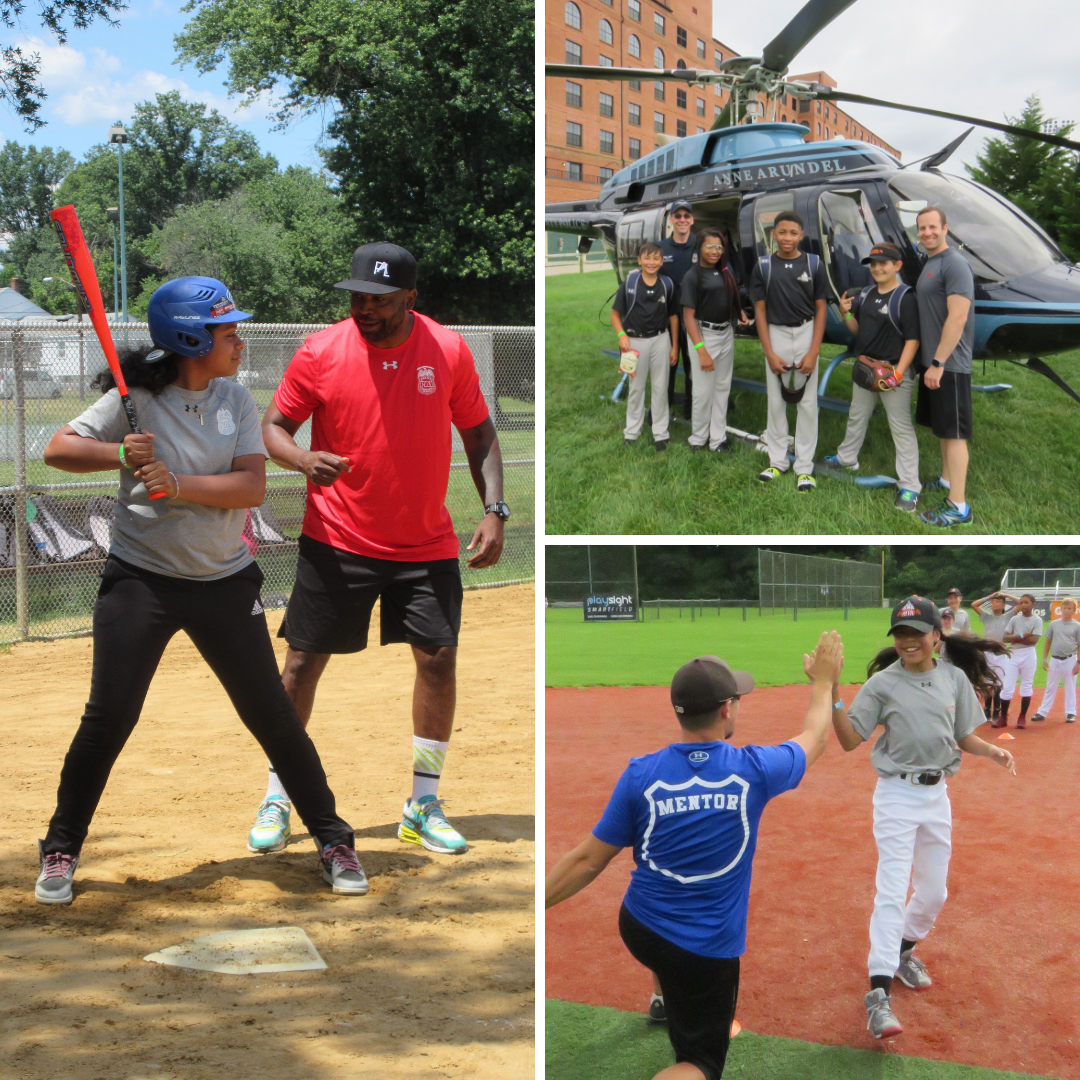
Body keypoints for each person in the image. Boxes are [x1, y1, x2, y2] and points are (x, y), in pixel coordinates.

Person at [35, 277, 366, 905]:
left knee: (272, 714)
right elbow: (57, 449)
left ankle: (332, 837)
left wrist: (177, 483)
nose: (238, 341)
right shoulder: (136, 400)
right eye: (227, 331)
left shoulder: (236, 401)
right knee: (109, 718)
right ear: (190, 338)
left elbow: (251, 489)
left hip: (222, 581)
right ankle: (60, 848)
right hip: (141, 581)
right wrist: (120, 454)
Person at [246, 242, 506, 859]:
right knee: (301, 667)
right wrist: (303, 458)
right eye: (358, 297)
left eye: (380, 299)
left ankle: (422, 801)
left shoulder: (445, 349)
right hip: (337, 538)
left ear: (409, 298)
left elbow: (478, 432)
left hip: (425, 541)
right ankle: (279, 795)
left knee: (438, 662)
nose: (365, 308)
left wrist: (494, 508)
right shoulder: (321, 351)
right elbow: (273, 428)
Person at [545, 635, 844, 1080]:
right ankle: (683, 1027)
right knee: (700, 1064)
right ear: (726, 709)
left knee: (665, 934)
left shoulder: (640, 774)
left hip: (640, 925)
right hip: (704, 949)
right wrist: (823, 683)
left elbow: (587, 860)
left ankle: (664, 997)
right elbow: (816, 738)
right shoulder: (754, 769)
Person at [829, 596, 1014, 1040]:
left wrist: (991, 751)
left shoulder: (952, 678)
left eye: (917, 633)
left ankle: (903, 951)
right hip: (896, 795)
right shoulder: (883, 685)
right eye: (901, 634)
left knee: (934, 892)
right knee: (892, 890)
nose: (909, 641)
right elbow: (850, 740)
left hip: (937, 796)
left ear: (937, 635)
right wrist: (832, 693)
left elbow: (963, 736)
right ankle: (878, 994)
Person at [824, 242, 921, 511]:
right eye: (874, 264)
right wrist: (845, 314)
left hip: (893, 373)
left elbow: (913, 341)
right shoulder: (866, 294)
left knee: (900, 428)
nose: (878, 268)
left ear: (897, 266)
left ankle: (910, 487)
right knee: (857, 414)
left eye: (884, 263)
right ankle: (846, 459)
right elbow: (858, 331)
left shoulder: (905, 297)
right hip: (867, 371)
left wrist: (898, 374)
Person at [748, 211, 829, 492]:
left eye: (793, 233)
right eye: (782, 232)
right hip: (776, 332)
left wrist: (814, 352)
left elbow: (821, 308)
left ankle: (804, 467)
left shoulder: (814, 264)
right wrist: (768, 352)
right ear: (773, 234)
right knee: (776, 401)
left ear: (801, 236)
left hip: (806, 332)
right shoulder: (763, 266)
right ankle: (777, 460)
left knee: (807, 404)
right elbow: (759, 311)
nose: (787, 238)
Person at [912, 207, 976, 528]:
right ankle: (947, 480)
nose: (927, 233)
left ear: (945, 228)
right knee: (942, 429)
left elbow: (958, 317)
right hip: (932, 363)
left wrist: (938, 362)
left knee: (954, 434)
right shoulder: (930, 262)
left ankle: (958, 506)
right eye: (922, 228)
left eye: (932, 227)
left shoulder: (955, 264)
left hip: (949, 364)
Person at [681, 228, 748, 454]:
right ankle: (698, 439)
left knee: (722, 388)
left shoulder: (724, 272)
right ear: (699, 247)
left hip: (726, 333)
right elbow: (688, 316)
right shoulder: (693, 275)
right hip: (704, 336)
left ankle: (717, 439)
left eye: (719, 247)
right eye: (709, 246)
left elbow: (725, 299)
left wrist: (739, 314)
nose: (714, 251)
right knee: (702, 391)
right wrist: (701, 350)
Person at [612, 241, 679, 450]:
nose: (651, 262)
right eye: (647, 258)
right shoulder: (630, 282)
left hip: (660, 339)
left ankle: (661, 433)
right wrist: (621, 335)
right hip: (633, 342)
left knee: (660, 387)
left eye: (656, 258)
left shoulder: (667, 284)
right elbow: (615, 315)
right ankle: (631, 432)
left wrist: (674, 346)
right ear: (640, 260)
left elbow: (674, 317)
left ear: (662, 261)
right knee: (636, 388)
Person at [661, 200, 698, 421]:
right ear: (671, 220)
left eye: (686, 216)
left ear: (692, 220)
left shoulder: (702, 245)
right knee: (668, 365)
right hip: (668, 317)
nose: (682, 219)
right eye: (678, 216)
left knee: (693, 364)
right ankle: (660, 409)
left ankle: (691, 409)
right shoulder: (661, 248)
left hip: (694, 316)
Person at [971, 591, 1021, 724]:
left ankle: (996, 710)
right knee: (988, 681)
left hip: (1001, 653)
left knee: (999, 682)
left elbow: (1021, 603)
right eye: (993, 602)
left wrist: (1007, 595)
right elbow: (974, 605)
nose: (994, 603)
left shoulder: (1008, 616)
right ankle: (987, 709)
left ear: (1004, 605)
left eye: (997, 601)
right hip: (988, 652)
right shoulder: (987, 617)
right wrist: (989, 596)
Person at [1033, 597, 1079, 723]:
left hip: (1070, 658)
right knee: (1050, 686)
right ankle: (1042, 711)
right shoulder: (1054, 624)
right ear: (1061, 608)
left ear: (1074, 610)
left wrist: (1078, 663)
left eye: (1070, 608)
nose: (1067, 610)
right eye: (1065, 607)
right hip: (1055, 659)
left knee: (1070, 686)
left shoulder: (1077, 626)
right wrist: (1044, 659)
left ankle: (1070, 712)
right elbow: (1047, 641)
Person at [999, 594, 1042, 729]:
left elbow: (1033, 641)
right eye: (1021, 602)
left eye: (1026, 602)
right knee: (1007, 686)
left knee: (1026, 686)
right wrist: (1023, 635)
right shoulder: (1014, 619)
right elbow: (1005, 638)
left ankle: (1022, 717)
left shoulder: (1037, 620)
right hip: (1014, 653)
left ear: (1033, 605)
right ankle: (1003, 717)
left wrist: (1015, 638)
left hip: (1028, 654)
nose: (1023, 605)